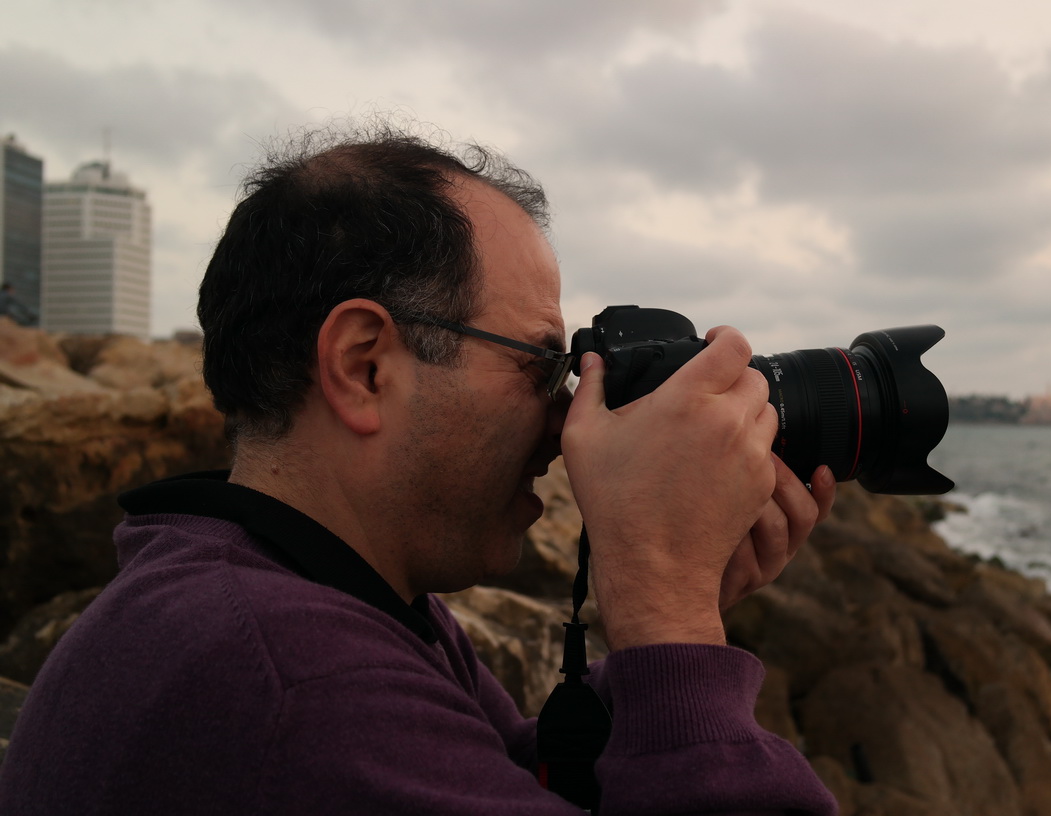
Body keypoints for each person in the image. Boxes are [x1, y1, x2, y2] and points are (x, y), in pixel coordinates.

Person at [0, 123, 838, 815]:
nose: (563, 423)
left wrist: (667, 615)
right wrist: (669, 616)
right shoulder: (294, 678)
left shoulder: (274, 593)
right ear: (364, 366)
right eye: (540, 365)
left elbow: (499, 772)